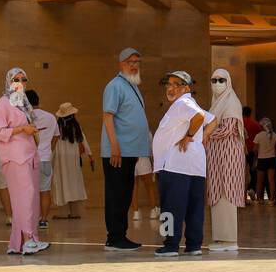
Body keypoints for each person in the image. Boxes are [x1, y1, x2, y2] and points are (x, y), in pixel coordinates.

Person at [152, 70, 214, 257]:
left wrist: (188, 136)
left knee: (170, 207)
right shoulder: (190, 103)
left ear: (186, 88)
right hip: (194, 166)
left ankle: (170, 246)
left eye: (175, 84)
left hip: (174, 166)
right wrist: (201, 138)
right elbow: (213, 120)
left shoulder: (182, 103)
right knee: (194, 207)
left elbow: (200, 118)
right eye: (168, 84)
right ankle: (194, 245)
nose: (170, 88)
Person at [0, 68, 48, 255]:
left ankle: (21, 242)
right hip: (15, 157)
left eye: (24, 79)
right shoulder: (3, 103)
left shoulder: (23, 103)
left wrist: (30, 129)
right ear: (9, 81)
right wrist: (22, 129)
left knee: (30, 199)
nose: (20, 82)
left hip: (30, 155)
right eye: (16, 79)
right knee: (24, 197)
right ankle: (28, 239)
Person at [101, 47, 150, 251]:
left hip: (129, 152)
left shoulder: (132, 85)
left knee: (125, 194)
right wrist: (114, 146)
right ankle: (114, 238)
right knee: (116, 194)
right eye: (130, 61)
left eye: (137, 62)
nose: (134, 65)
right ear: (121, 64)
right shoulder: (114, 86)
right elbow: (108, 116)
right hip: (117, 152)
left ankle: (121, 235)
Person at [204, 68, 245, 252]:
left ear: (228, 82)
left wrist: (203, 135)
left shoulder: (231, 102)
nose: (217, 84)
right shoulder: (216, 103)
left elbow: (227, 129)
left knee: (227, 194)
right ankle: (221, 239)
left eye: (221, 80)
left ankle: (230, 240)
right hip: (215, 156)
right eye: (214, 80)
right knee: (217, 194)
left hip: (228, 155)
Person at [51, 103, 92, 218]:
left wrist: (49, 158)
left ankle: (63, 213)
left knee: (61, 182)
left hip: (60, 159)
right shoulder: (76, 127)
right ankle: (75, 212)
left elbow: (52, 144)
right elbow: (83, 141)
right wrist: (90, 155)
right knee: (74, 183)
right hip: (73, 160)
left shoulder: (57, 127)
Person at [27, 89, 57, 231]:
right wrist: (49, 148)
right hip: (45, 159)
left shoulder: (26, 118)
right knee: (45, 191)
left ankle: (31, 219)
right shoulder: (51, 117)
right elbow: (56, 136)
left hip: (30, 159)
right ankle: (44, 220)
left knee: (29, 192)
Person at [253, 118, 276, 203]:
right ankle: (272, 199)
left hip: (261, 159)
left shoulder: (258, 136)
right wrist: (273, 152)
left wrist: (256, 156)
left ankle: (259, 199)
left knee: (259, 181)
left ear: (261, 126)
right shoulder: (274, 135)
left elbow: (255, 149)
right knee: (271, 180)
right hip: (271, 159)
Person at [242, 106, 262, 200]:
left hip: (243, 151)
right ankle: (252, 189)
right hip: (253, 151)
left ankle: (243, 194)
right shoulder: (256, 124)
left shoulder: (241, 123)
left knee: (243, 173)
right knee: (253, 171)